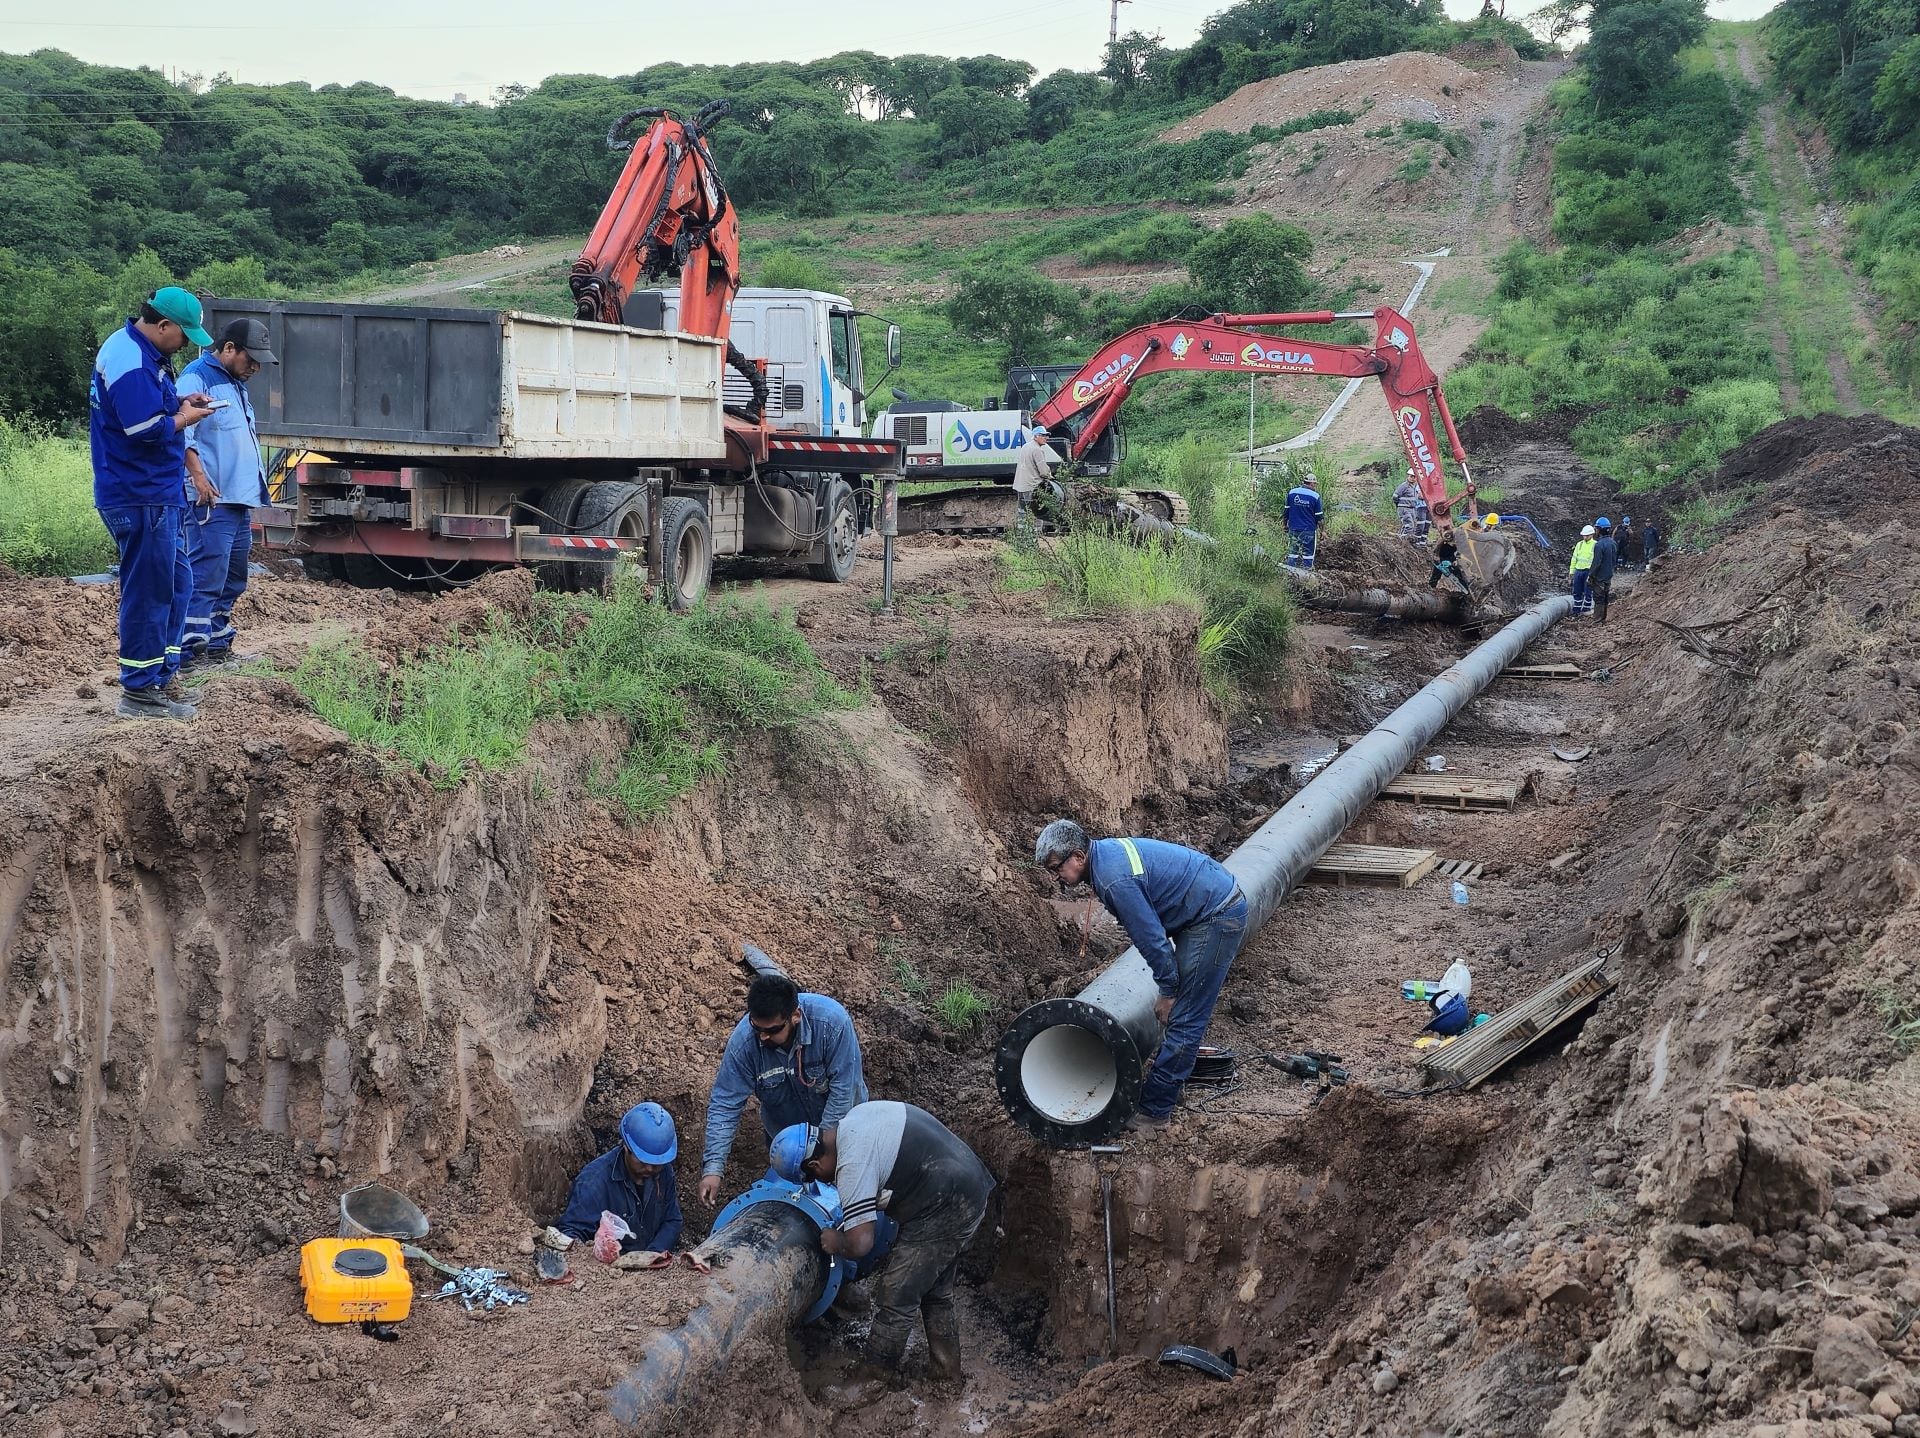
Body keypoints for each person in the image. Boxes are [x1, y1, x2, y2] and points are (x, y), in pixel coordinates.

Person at [1033, 820, 1246, 1130]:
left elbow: (1153, 941)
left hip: (1215, 916)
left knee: (1185, 1014)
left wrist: (1169, 992)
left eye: (1056, 868)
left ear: (1077, 856)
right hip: (1205, 906)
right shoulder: (1105, 855)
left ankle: (1155, 1110)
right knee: (1182, 1010)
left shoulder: (1112, 880)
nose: (1056, 877)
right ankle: (1175, 1079)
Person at [771, 1101, 993, 1391]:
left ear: (815, 1164)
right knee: (934, 1289)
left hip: (948, 1202)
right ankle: (946, 1375)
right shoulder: (855, 1120)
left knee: (897, 1292)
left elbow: (861, 1243)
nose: (822, 1182)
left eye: (814, 1177)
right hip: (966, 1181)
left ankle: (874, 1376)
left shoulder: (851, 1165)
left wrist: (835, 1240)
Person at [91, 287, 219, 720]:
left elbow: (155, 408)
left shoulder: (144, 354)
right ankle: (139, 693)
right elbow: (143, 428)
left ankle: (161, 678)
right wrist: (187, 418)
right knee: (148, 593)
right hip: (139, 493)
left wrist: (183, 402)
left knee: (177, 584)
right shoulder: (130, 360)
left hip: (157, 493)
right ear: (163, 326)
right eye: (184, 336)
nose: (186, 345)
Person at [697, 971, 867, 1208]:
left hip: (844, 1135)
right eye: (757, 1028)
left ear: (795, 1015)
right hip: (788, 1146)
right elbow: (725, 1104)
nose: (763, 1037)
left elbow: (844, 1092)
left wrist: (821, 1155)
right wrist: (713, 1169)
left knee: (851, 1201)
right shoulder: (745, 1044)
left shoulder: (831, 1024)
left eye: (772, 1030)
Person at [181, 318, 276, 668]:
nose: (255, 368)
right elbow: (182, 433)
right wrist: (199, 479)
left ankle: (218, 644)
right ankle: (190, 654)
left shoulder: (235, 383)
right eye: (251, 359)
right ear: (229, 348)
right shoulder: (196, 377)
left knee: (233, 577)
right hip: (212, 499)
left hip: (238, 500)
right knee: (207, 574)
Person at [554, 1102, 684, 1267]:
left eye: (656, 1163)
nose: (650, 1168)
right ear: (625, 1147)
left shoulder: (663, 1171)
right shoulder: (594, 1182)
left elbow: (673, 1219)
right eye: (643, 1161)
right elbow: (571, 1234)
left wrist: (652, 1255)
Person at [1011, 425, 1059, 529]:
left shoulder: (1025, 447)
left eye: (1046, 436)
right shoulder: (1037, 450)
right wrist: (1051, 477)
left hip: (1020, 485)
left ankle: (1021, 532)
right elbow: (1043, 471)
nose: (1046, 438)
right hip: (1032, 485)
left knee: (1022, 511)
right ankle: (1037, 534)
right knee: (1038, 511)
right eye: (1043, 435)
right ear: (1036, 436)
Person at [1284, 475, 1325, 568]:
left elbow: (1286, 511)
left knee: (1292, 554)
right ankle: (1307, 576)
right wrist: (1323, 531)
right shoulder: (1315, 496)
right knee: (1308, 555)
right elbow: (1319, 517)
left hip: (1293, 529)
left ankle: (1290, 574)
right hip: (1309, 530)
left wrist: (1284, 525)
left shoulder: (1292, 493)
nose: (1315, 486)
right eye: (1315, 484)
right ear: (1311, 483)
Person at [1589, 516, 1619, 623]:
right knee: (1605, 596)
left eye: (1596, 529)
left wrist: (1591, 575)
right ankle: (1603, 618)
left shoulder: (1599, 545)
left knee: (1598, 598)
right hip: (1608, 575)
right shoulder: (1613, 543)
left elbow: (1596, 562)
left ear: (1600, 530)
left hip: (1599, 577)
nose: (1595, 531)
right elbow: (1614, 560)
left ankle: (1597, 619)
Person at [1429, 531, 1472, 601]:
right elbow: (1437, 547)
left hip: (1451, 557)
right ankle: (1431, 587)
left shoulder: (1461, 542)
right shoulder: (1446, 537)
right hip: (1441, 556)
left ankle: (1466, 590)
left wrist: (1456, 559)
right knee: (1436, 574)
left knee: (1458, 573)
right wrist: (1436, 556)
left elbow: (1460, 551)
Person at [1391, 470, 1428, 545]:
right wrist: (1399, 505)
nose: (1412, 478)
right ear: (1408, 476)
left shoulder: (1414, 487)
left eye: (1414, 477)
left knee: (1410, 526)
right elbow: (1395, 496)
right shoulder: (1404, 486)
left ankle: (1400, 539)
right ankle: (1403, 543)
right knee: (1409, 526)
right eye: (1411, 476)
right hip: (1404, 508)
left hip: (1412, 508)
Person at [1569, 524, 1596, 616]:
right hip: (1578, 571)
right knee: (1577, 591)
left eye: (1587, 535)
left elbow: (1596, 561)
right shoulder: (1579, 544)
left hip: (1588, 571)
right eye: (1584, 535)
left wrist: (1593, 574)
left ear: (1591, 535)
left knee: (1588, 591)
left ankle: (1586, 609)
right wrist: (1571, 572)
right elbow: (1574, 558)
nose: (1585, 537)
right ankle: (1576, 610)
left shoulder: (1595, 545)